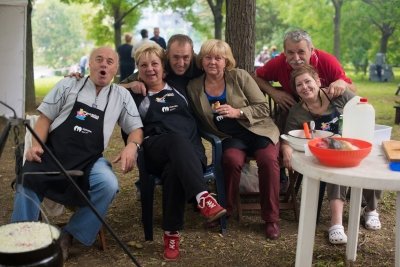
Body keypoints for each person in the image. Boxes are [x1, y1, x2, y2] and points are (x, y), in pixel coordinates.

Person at [11, 46, 143, 260]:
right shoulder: (67, 84)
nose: (104, 64)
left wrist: (131, 145)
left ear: (116, 68)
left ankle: (70, 235)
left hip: (90, 159)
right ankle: (21, 242)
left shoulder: (121, 95)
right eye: (99, 59)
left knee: (108, 184)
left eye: (110, 62)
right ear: (89, 64)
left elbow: (136, 129)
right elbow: (44, 119)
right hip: (53, 152)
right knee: (29, 176)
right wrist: (36, 145)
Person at [131, 42, 226, 261]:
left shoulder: (181, 85)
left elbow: (215, 69)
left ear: (163, 67)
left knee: (175, 169)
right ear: (138, 69)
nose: (150, 69)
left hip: (191, 155)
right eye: (143, 65)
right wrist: (128, 86)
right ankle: (203, 197)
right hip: (155, 150)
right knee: (174, 139)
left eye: (154, 63)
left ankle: (171, 233)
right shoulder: (136, 95)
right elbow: (112, 88)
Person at [187, 39, 281, 240]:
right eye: (208, 57)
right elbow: (194, 117)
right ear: (201, 61)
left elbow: (264, 108)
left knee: (268, 161)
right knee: (230, 160)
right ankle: (226, 210)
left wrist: (237, 112)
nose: (213, 62)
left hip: (257, 130)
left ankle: (271, 218)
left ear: (226, 61)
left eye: (218, 58)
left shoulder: (240, 76)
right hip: (229, 136)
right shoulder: (194, 87)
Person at [281, 64, 382, 245]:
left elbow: (363, 107)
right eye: (299, 85)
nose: (305, 87)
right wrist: (286, 148)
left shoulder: (338, 95)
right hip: (325, 155)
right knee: (336, 165)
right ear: (296, 90)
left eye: (308, 81)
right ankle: (336, 224)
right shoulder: (297, 112)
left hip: (353, 144)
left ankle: (371, 209)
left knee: (367, 159)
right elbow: (287, 137)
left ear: (318, 81)